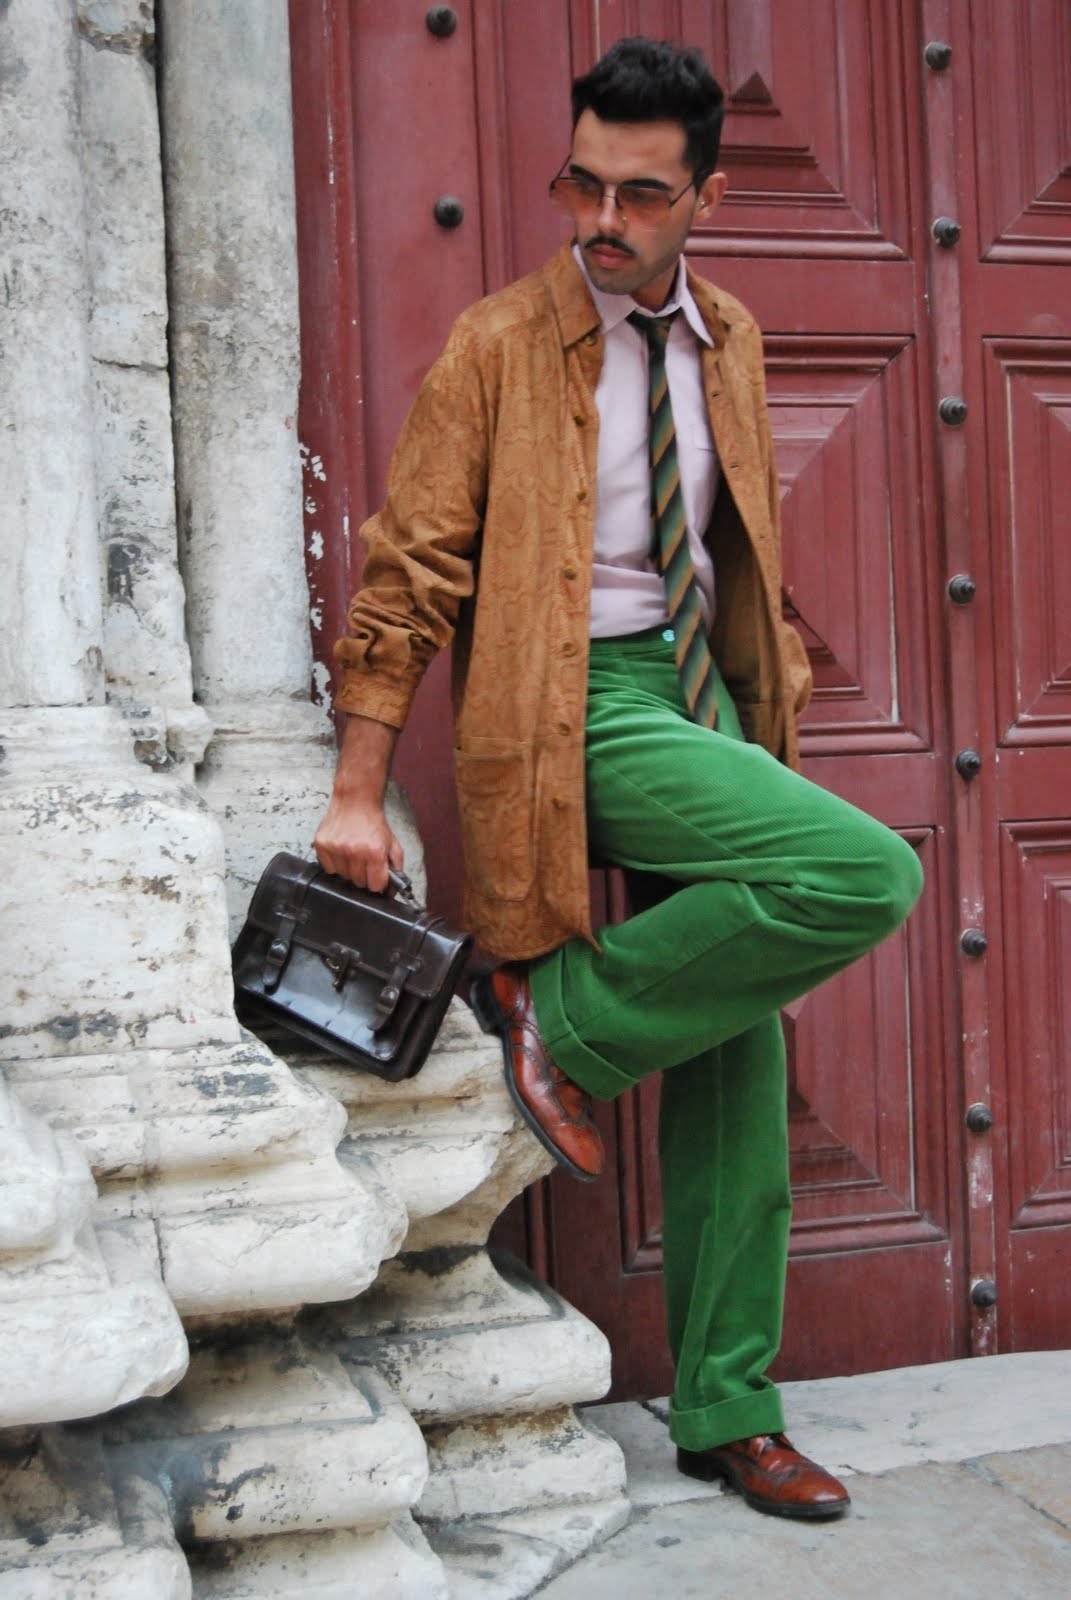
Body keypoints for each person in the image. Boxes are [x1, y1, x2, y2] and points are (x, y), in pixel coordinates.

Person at [314, 36, 922, 1520]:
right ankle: (565, 1022)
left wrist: (761, 712)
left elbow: (730, 551)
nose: (603, 217)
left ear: (705, 194)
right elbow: (407, 575)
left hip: (701, 703)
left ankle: (728, 1410)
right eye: (582, 183)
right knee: (865, 872)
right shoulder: (497, 346)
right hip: (572, 707)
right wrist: (355, 787)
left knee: (738, 1053)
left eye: (641, 194)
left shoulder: (733, 338)